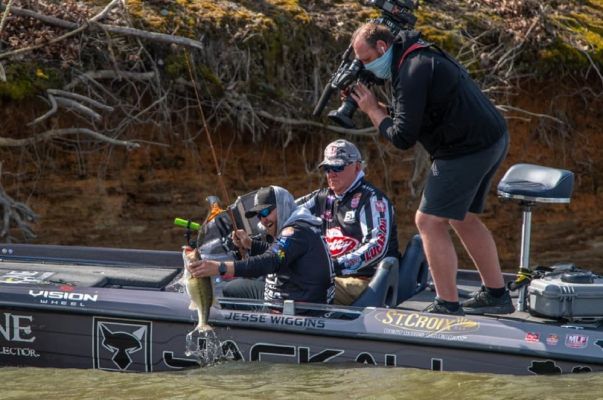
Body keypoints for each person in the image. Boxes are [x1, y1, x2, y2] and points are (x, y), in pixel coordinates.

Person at [348, 23, 514, 315]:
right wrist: (382, 109)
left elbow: (402, 138)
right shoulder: (412, 56)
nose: (364, 67)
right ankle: (496, 294)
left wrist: (373, 110)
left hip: (466, 149)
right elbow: (413, 112)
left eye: (365, 59)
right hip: (490, 137)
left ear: (382, 48)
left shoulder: (412, 70)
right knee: (461, 218)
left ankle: (447, 304)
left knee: (428, 221)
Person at [187, 185, 335, 305]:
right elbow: (283, 254)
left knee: (231, 290)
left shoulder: (296, 231)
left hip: (298, 310)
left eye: (266, 211)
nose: (263, 220)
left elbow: (272, 260)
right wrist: (250, 244)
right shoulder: (296, 226)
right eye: (259, 215)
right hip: (285, 297)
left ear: (282, 205)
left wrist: (221, 268)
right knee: (233, 288)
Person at [297, 139, 399, 306]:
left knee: (299, 286)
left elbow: (377, 245)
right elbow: (286, 211)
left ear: (357, 167)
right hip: (332, 277)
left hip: (365, 281)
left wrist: (334, 266)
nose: (331, 173)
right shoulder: (323, 197)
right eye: (327, 168)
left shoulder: (373, 199)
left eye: (337, 167)